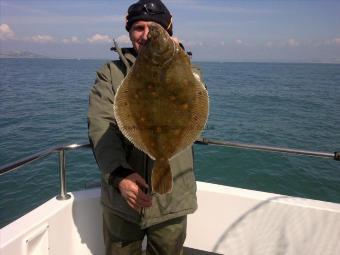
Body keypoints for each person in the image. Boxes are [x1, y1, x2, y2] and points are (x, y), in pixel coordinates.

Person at [88, 0, 204, 254]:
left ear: (169, 33)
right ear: (129, 32)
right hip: (122, 199)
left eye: (154, 28)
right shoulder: (110, 73)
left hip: (172, 201)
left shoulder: (188, 71)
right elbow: (101, 125)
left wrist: (177, 57)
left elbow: (196, 98)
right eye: (139, 28)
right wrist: (119, 175)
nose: (146, 34)